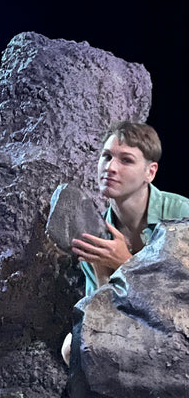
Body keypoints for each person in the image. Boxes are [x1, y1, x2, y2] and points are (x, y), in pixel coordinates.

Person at [61, 120, 189, 365]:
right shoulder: (97, 233)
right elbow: (102, 315)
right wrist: (102, 272)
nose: (110, 167)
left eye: (126, 160)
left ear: (150, 172)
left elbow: (179, 301)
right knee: (73, 346)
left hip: (178, 329)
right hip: (134, 327)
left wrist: (127, 264)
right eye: (106, 156)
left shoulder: (181, 214)